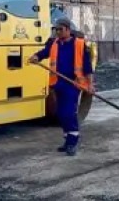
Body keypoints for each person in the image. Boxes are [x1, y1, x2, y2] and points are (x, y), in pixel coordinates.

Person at [28, 17, 94, 156]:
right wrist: (36, 57)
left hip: (73, 84)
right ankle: (67, 140)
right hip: (58, 83)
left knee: (68, 113)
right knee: (60, 114)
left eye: (60, 29)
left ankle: (72, 142)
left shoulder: (79, 45)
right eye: (56, 29)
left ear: (68, 30)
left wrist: (90, 84)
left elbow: (87, 67)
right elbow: (44, 53)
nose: (57, 32)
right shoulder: (53, 43)